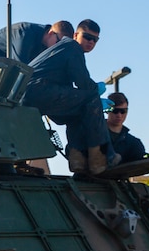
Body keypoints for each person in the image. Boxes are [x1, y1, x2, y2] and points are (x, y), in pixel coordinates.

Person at [23, 19, 117, 174]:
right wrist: (95, 91)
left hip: (33, 94)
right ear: (75, 35)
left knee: (77, 113)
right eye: (87, 37)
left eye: (95, 40)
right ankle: (103, 158)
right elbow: (83, 83)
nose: (91, 42)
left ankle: (78, 160)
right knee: (91, 100)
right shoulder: (72, 47)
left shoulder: (62, 50)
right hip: (39, 90)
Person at [0, 21, 66, 64]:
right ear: (51, 33)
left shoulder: (45, 45)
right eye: (58, 42)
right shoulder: (24, 33)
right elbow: (20, 66)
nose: (58, 47)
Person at [104, 92, 147, 163]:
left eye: (123, 111)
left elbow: (141, 161)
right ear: (107, 110)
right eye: (115, 111)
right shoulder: (93, 133)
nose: (119, 115)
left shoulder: (134, 143)